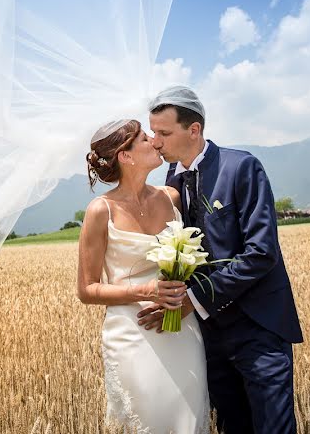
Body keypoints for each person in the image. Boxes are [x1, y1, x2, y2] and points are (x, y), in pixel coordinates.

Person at [139, 86, 303, 434]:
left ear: (193, 129)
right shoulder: (172, 179)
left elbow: (261, 253)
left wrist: (194, 300)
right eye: (153, 133)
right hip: (208, 336)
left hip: (258, 328)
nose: (155, 141)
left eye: (164, 133)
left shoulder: (241, 167)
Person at [77, 118, 211, 433]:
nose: (154, 139)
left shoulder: (171, 196)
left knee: (188, 420)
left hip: (182, 330)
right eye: (143, 138)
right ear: (125, 156)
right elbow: (86, 289)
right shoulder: (101, 211)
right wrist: (147, 290)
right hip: (133, 334)